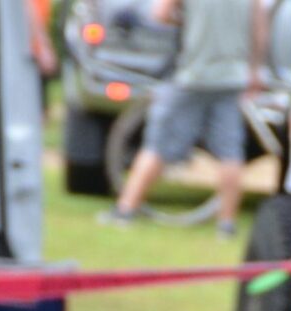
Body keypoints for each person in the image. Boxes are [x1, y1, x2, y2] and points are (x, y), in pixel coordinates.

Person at [98, 0, 263, 236]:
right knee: (230, 151)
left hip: (193, 74)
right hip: (232, 75)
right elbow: (259, 27)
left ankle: (126, 209)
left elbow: (160, 14)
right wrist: (254, 69)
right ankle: (226, 224)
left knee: (158, 142)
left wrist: (185, 19)